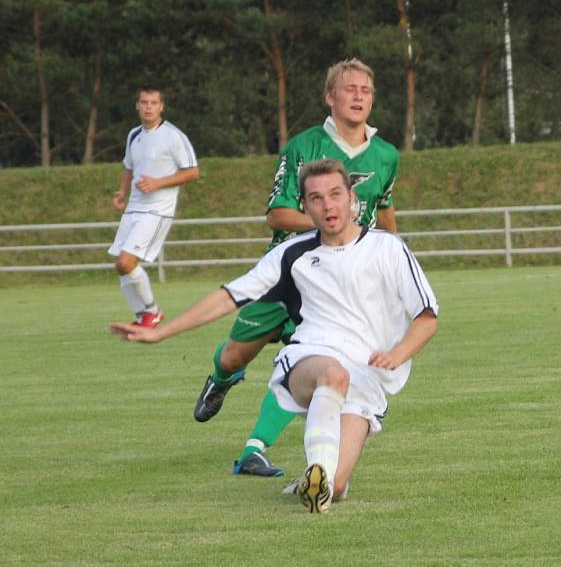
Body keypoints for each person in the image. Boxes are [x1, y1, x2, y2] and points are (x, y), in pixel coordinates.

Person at [109, 159, 438, 515]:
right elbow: (228, 296)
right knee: (333, 375)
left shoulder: (387, 248)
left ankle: (316, 481)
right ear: (305, 206)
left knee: (337, 487)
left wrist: (398, 353)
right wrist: (161, 333)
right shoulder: (291, 254)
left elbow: (427, 316)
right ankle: (318, 472)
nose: (327, 205)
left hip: (367, 377)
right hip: (311, 358)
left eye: (335, 194)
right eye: (316, 198)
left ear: (350, 198)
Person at [193, 58, 400, 479]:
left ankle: (256, 449)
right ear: (330, 96)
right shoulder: (303, 147)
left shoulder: (386, 155)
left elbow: (385, 210)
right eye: (349, 89)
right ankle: (222, 377)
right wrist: (330, 223)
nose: (359, 96)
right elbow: (278, 214)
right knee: (234, 355)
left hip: (340, 282)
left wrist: (392, 259)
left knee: (311, 359)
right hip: (290, 274)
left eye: (366, 90)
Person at [108, 85, 199, 326]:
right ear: (137, 105)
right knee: (121, 265)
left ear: (161, 107)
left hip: (157, 211)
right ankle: (143, 316)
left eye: (153, 103)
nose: (148, 107)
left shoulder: (173, 136)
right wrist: (122, 192)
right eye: (144, 102)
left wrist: (158, 183)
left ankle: (152, 312)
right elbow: (129, 166)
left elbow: (192, 172)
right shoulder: (134, 135)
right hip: (133, 209)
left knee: (126, 262)